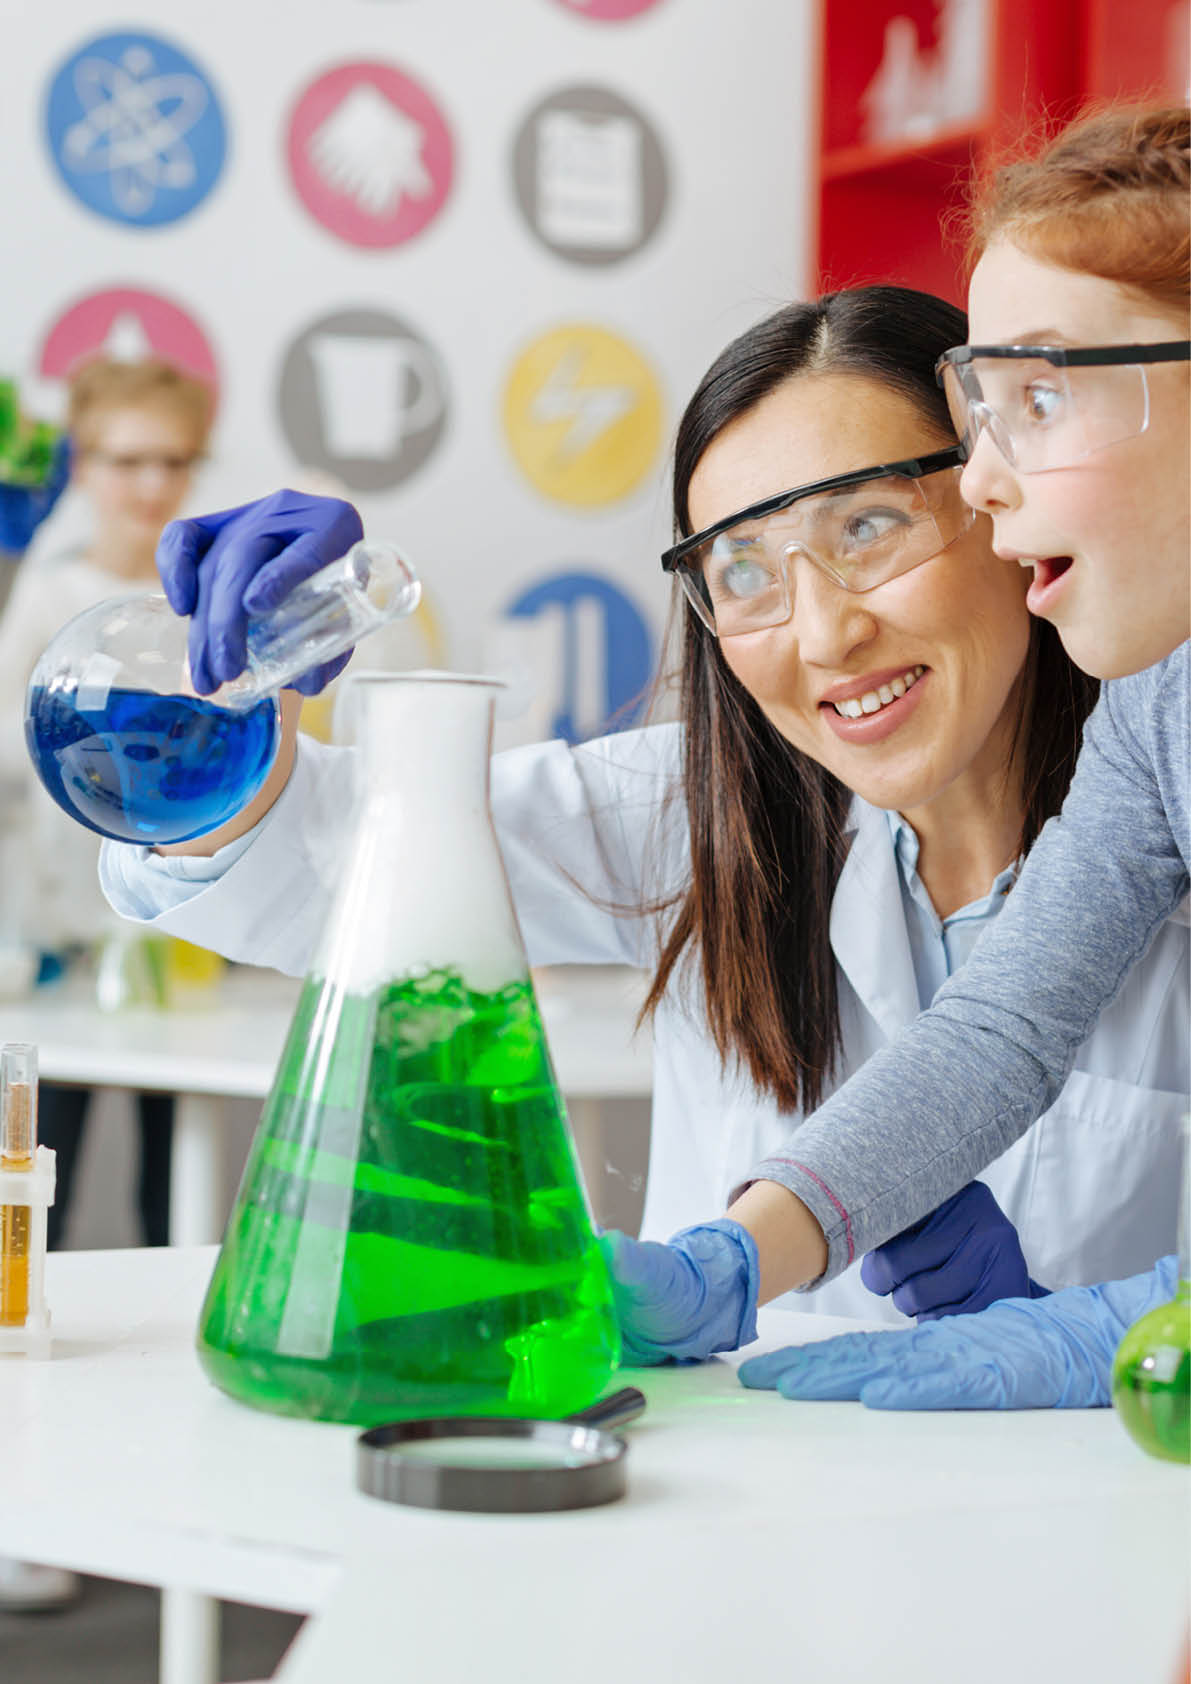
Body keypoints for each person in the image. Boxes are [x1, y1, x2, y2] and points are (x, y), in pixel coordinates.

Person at [96, 284, 1186, 1335]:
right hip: (719, 1512)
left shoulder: (1160, 824)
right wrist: (234, 681)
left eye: (869, 526)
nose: (822, 634)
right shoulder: (695, 817)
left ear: (1004, 498)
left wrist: (1092, 1340)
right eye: (744, 568)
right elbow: (318, 864)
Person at [626, 100, 1191, 1407]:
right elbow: (994, 1029)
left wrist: (1110, 1329)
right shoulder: (1156, 705)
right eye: (979, 407)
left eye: (1039, 397)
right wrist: (743, 1251)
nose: (982, 484)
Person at [0, 356, 214, 1253]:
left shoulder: (208, 603)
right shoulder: (49, 602)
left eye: (174, 458)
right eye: (128, 460)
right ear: (83, 467)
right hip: (63, 952)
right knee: (48, 1178)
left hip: (185, 951)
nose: (153, 483)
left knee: (176, 1191)